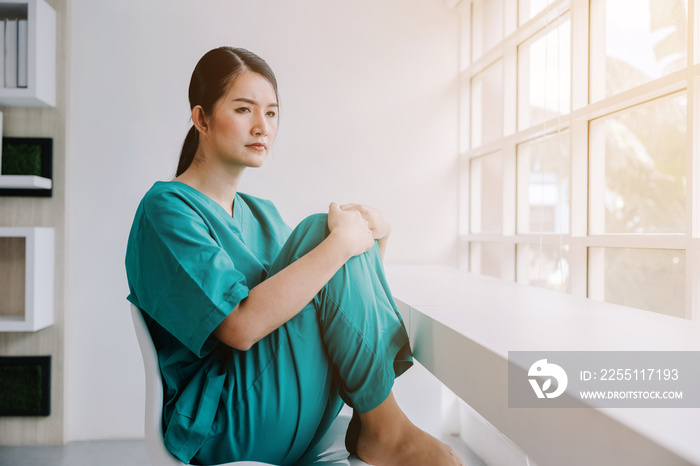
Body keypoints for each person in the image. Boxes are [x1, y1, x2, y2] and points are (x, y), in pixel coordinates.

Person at [125, 46, 463, 466]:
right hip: (222, 426)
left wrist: (375, 238)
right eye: (244, 109)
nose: (261, 127)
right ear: (202, 119)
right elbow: (241, 326)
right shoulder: (166, 210)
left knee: (327, 238)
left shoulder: (259, 214)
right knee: (322, 234)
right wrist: (340, 242)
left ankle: (380, 425)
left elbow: (331, 298)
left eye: (271, 113)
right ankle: (386, 430)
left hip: (286, 407)